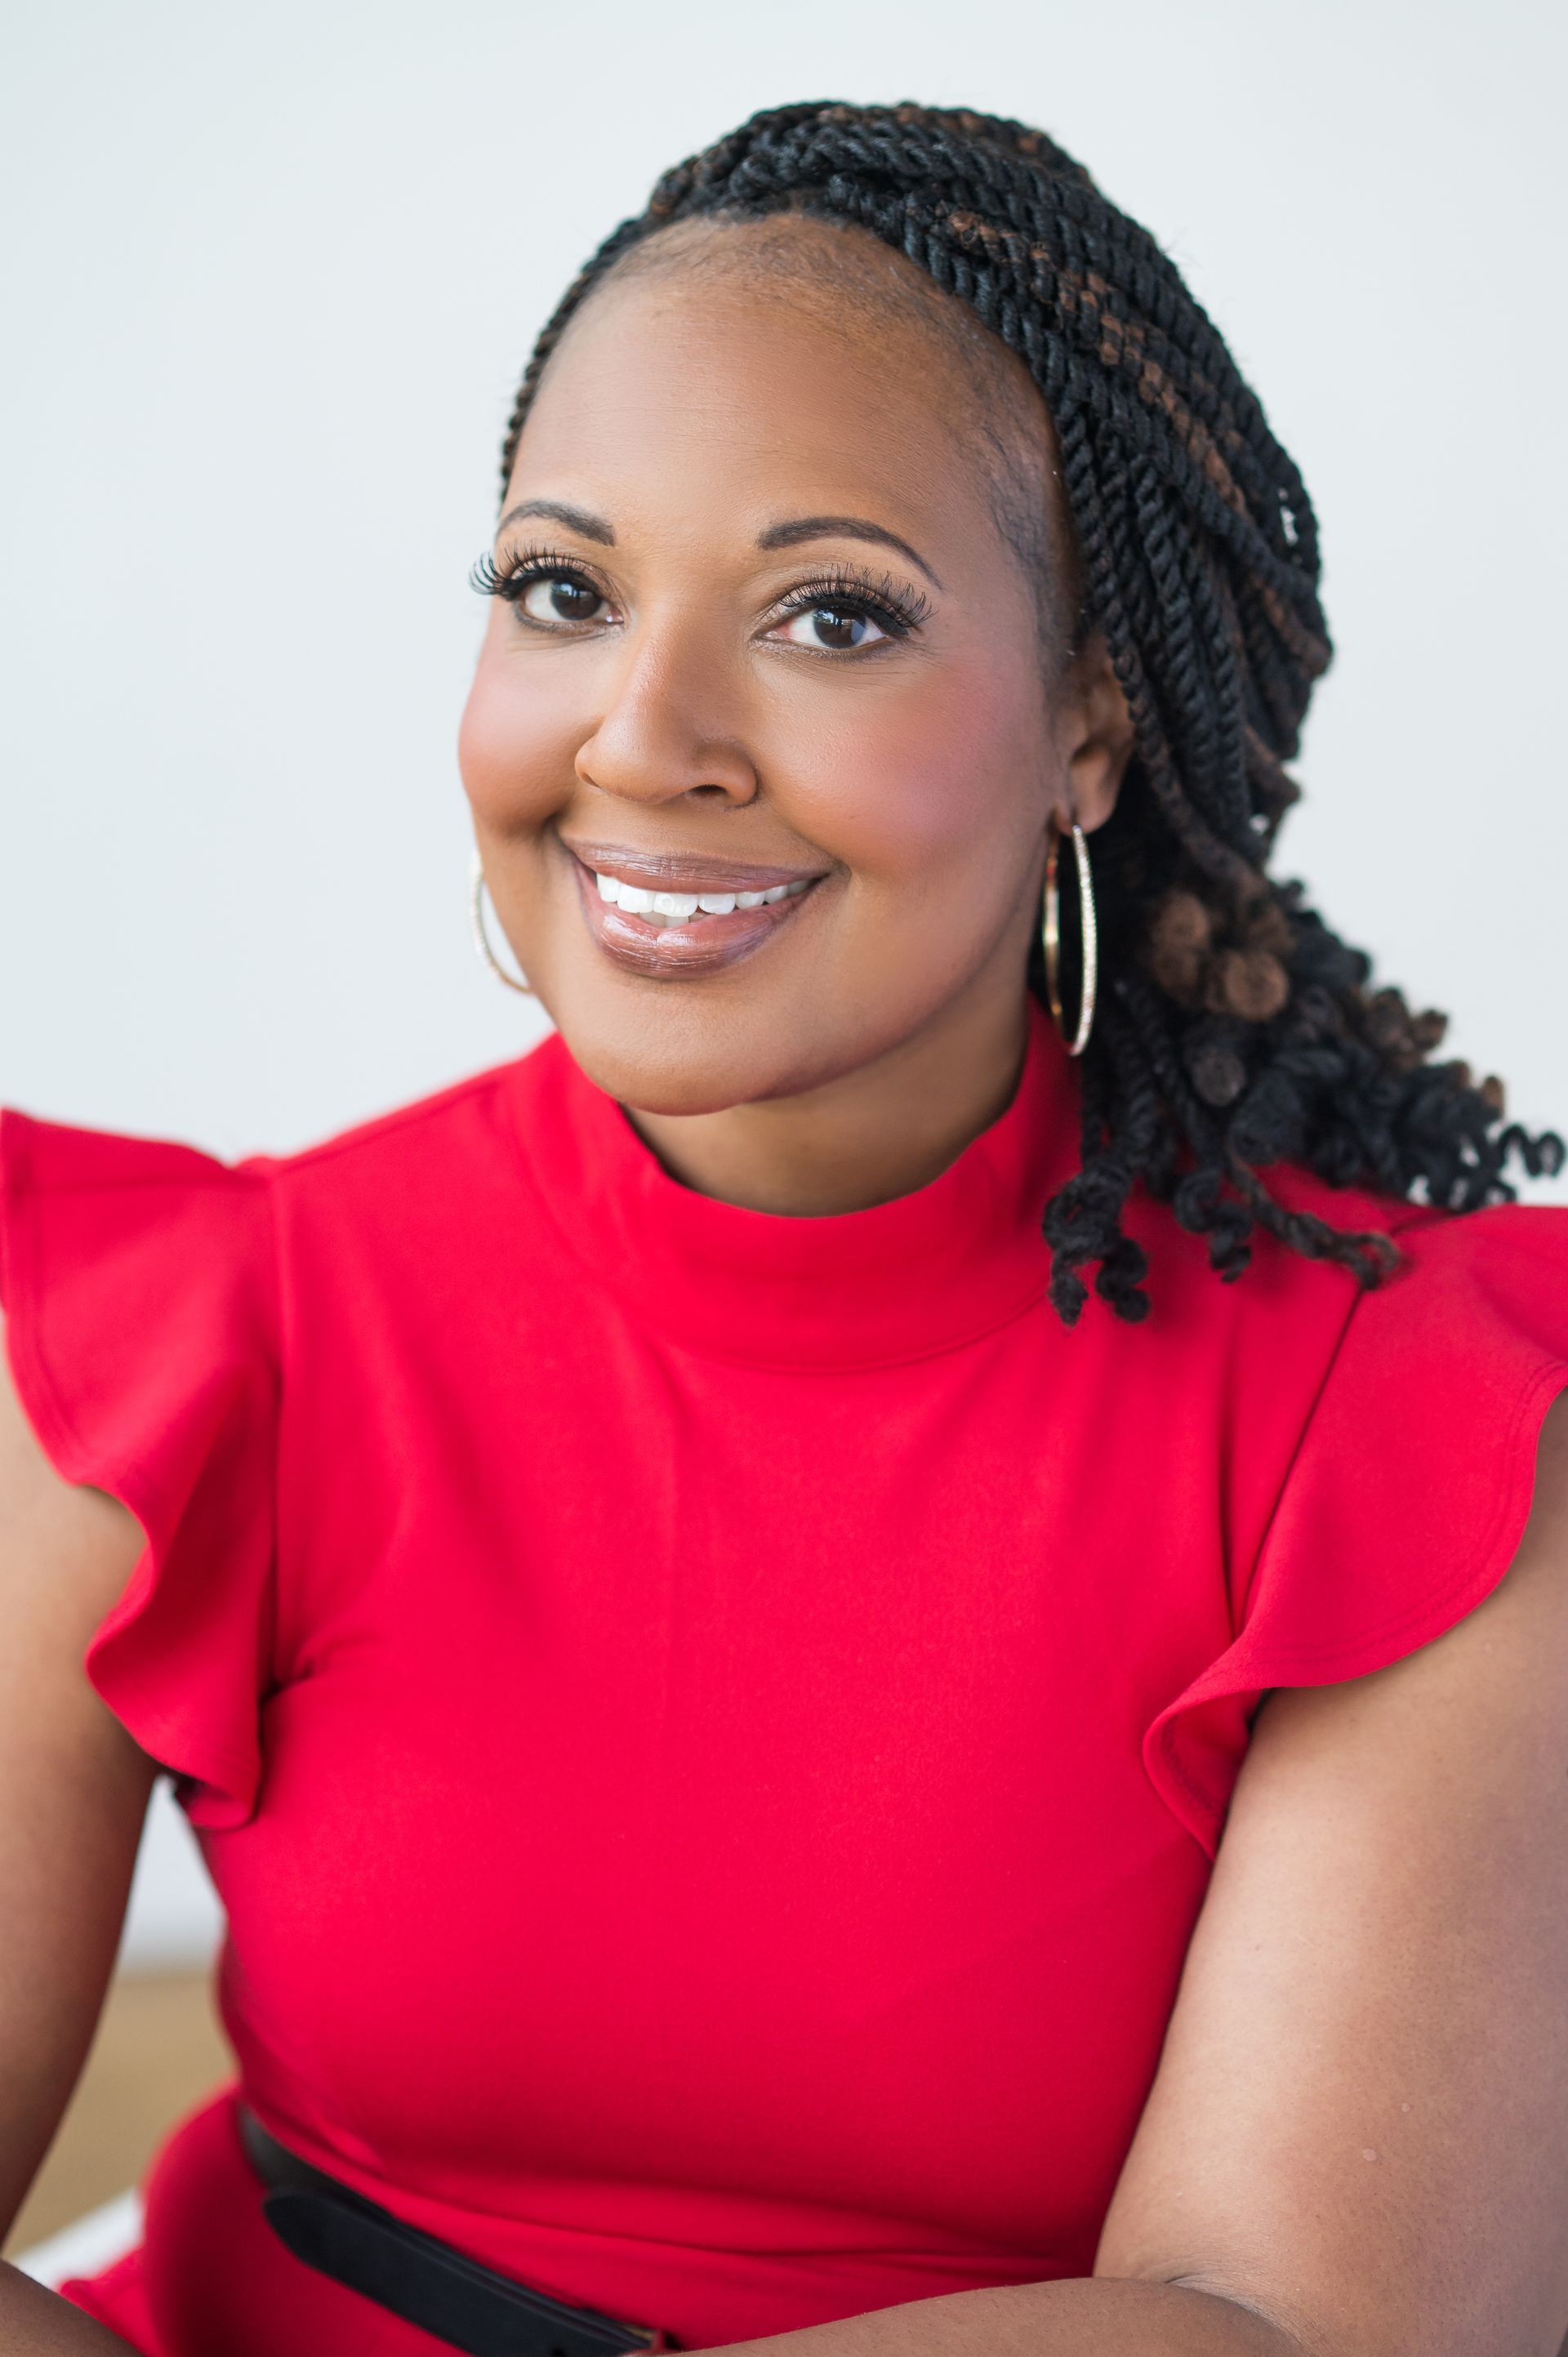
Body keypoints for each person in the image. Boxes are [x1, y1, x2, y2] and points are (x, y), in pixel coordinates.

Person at [2, 95, 1566, 2357]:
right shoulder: (178, 1339)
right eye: (564, 590)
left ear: (1090, 734)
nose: (645, 736)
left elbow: (1284, 2325)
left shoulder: (1404, 1436)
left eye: (834, 614)